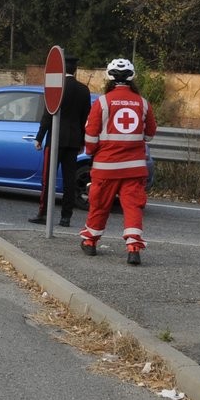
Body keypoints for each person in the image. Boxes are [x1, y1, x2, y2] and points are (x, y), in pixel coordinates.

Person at [80, 57, 156, 265]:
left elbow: (91, 134)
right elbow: (150, 134)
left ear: (108, 77)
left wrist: (91, 151)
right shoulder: (143, 103)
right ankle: (133, 248)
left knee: (99, 205)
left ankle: (90, 242)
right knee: (132, 207)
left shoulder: (102, 102)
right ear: (132, 77)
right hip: (134, 167)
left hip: (106, 166)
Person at [29, 54, 92, 227]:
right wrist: (81, 142)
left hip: (55, 139)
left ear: (62, 69)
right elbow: (84, 118)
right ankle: (66, 217)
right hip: (73, 141)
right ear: (76, 69)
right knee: (69, 180)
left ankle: (43, 213)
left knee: (47, 178)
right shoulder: (83, 90)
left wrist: (39, 137)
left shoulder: (55, 88)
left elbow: (48, 114)